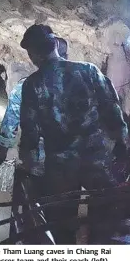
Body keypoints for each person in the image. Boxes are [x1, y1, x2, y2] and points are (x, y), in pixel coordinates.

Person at [18, 24, 130, 244]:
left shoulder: (33, 84)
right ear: (56, 46)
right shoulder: (88, 71)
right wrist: (122, 145)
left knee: (61, 225)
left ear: (34, 53)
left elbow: (30, 132)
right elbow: (112, 111)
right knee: (105, 217)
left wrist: (28, 162)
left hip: (60, 167)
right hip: (98, 160)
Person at [0, 36, 69, 174]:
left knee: (35, 193)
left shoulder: (26, 86)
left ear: (38, 57)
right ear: (66, 55)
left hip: (38, 161)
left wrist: (2, 154)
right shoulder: (88, 74)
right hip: (74, 161)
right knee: (70, 194)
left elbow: (10, 124)